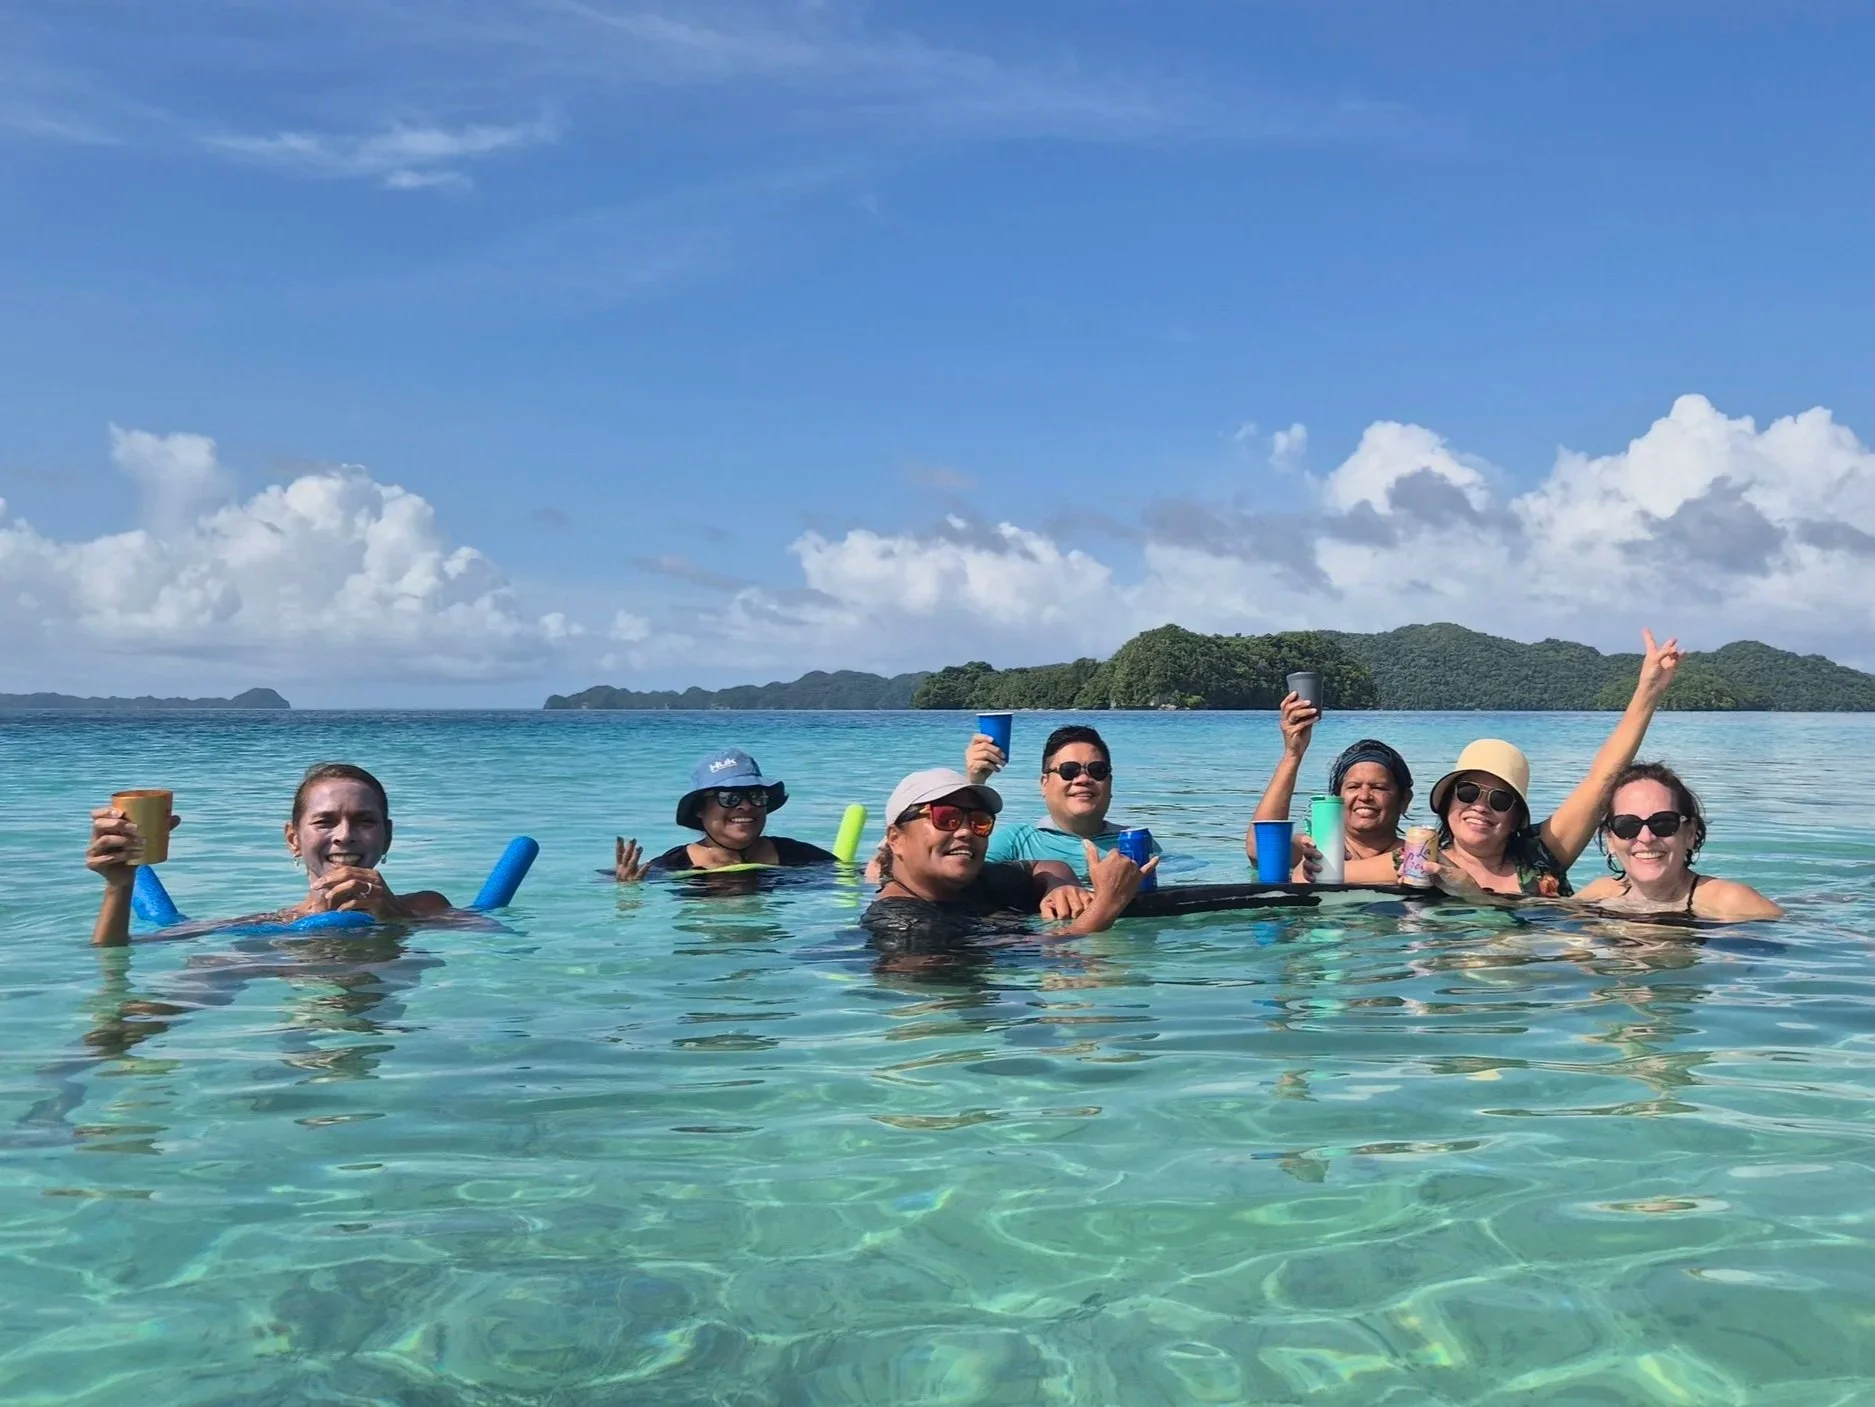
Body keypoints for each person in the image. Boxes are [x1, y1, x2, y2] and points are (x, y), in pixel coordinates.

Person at [1370, 627, 1685, 897]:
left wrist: (1648, 691)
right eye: (1467, 792)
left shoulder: (1541, 855)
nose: (1481, 806)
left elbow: (1602, 780)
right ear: (1448, 800)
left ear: (1516, 816)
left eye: (1500, 799)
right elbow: (1330, 876)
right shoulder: (1419, 858)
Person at [84, 762, 451, 946]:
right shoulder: (273, 928)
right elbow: (115, 956)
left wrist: (395, 916)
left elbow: (493, 935)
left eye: (364, 821)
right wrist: (119, 884)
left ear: (387, 837)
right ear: (293, 839)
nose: (344, 836)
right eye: (325, 821)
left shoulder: (424, 908)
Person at [861, 768, 1153, 946]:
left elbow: (1046, 865)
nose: (965, 832)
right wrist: (1106, 904)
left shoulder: (976, 882)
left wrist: (1060, 886)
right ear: (896, 839)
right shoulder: (902, 926)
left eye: (979, 821)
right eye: (946, 818)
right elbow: (1041, 961)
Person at [1575, 762, 1783, 920]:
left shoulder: (1731, 902)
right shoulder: (1599, 894)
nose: (1646, 838)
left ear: (1690, 834)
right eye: (1627, 825)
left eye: (1663, 823)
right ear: (1610, 839)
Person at [1245, 690, 1414, 878]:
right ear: (1337, 799)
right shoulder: (1317, 849)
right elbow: (1259, 850)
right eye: (1353, 787)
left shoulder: (1420, 857)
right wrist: (1293, 754)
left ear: (1404, 799)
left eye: (1379, 788)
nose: (1364, 796)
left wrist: (1317, 873)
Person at [962, 724, 1161, 880]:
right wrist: (974, 782)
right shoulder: (1016, 842)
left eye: (1097, 770)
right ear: (1044, 784)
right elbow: (961, 876)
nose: (1083, 779)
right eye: (1069, 770)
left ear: (1110, 782)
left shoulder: (1138, 842)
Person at [614, 748, 838, 881]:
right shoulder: (672, 867)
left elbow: (850, 877)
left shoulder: (797, 855)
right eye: (729, 798)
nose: (745, 806)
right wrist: (627, 892)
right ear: (700, 809)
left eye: (756, 796)